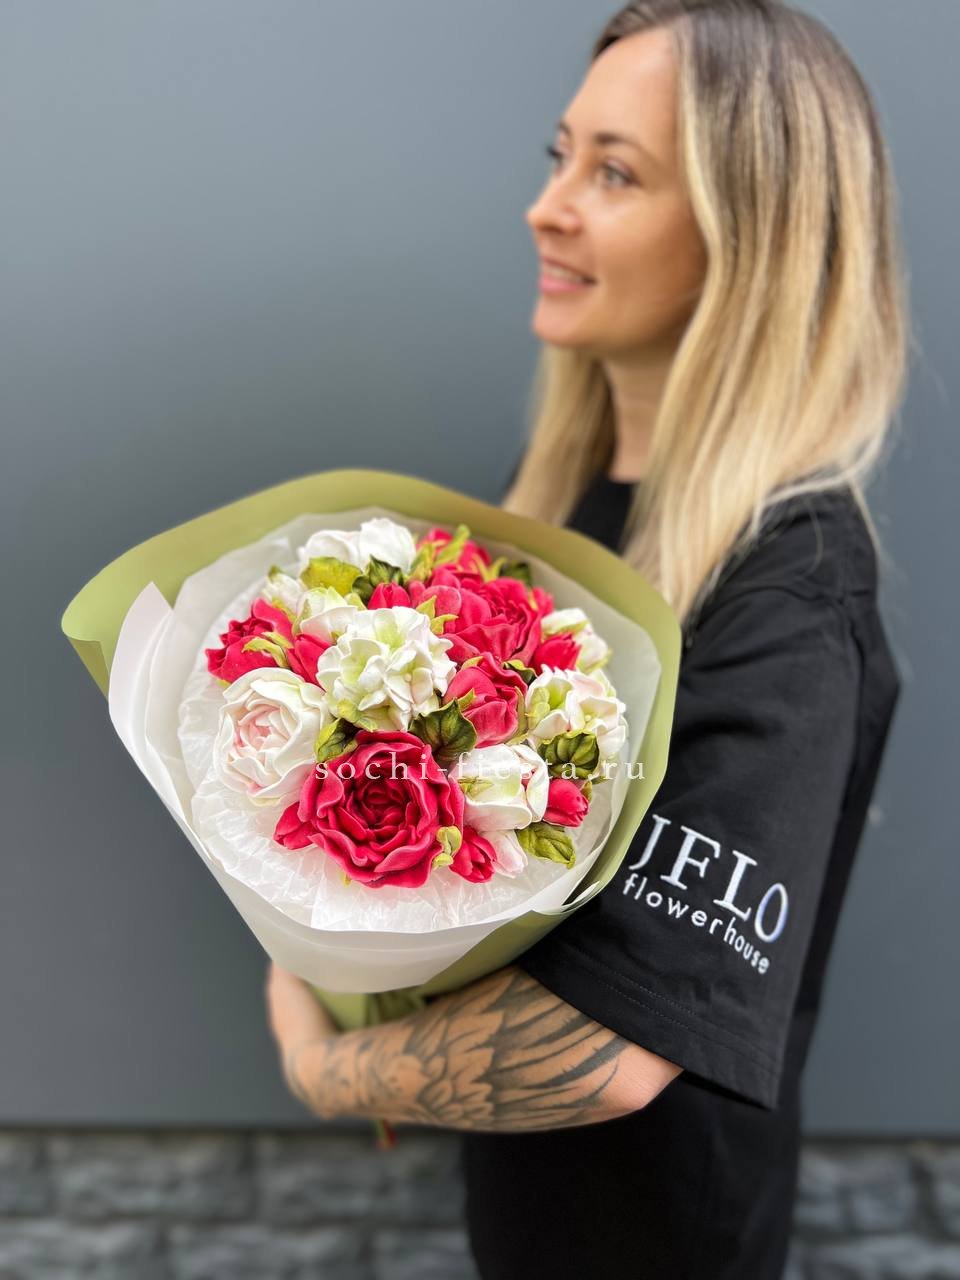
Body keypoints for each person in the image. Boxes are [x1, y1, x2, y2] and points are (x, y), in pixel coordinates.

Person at [265, 2, 909, 1276]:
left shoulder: (786, 590)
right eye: (561, 157)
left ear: (746, 237)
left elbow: (613, 1051)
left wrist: (326, 1062)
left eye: (615, 174)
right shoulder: (558, 510)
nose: (545, 209)